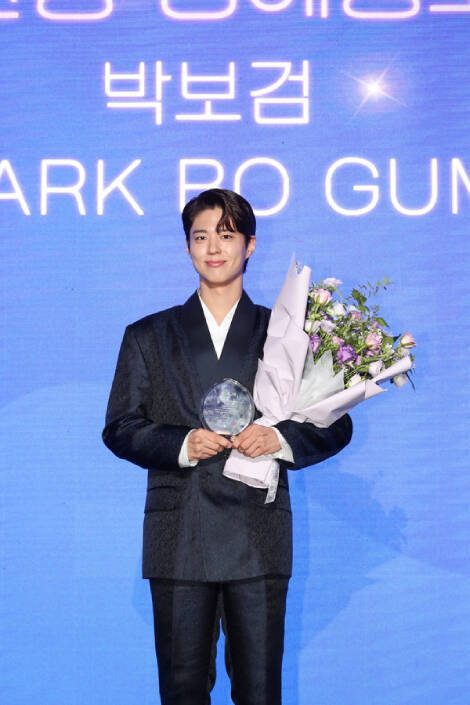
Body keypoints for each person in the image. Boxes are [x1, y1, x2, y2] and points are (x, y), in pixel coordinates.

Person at [102, 188, 353, 705]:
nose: (213, 248)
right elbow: (120, 426)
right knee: (182, 692)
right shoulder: (147, 335)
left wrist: (279, 437)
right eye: (200, 237)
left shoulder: (286, 333)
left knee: (260, 692)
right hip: (179, 536)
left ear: (250, 245)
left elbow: (337, 424)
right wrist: (181, 443)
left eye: (227, 235)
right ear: (187, 247)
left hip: (257, 536)